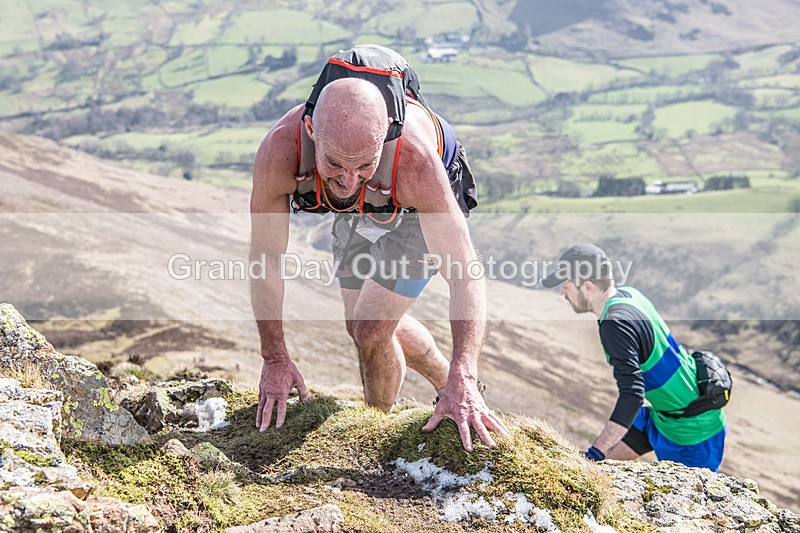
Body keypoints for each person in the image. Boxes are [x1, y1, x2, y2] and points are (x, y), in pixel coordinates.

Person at [249, 44, 509, 451]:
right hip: (365, 207)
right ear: (313, 130)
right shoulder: (280, 152)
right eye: (334, 164)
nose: (349, 181)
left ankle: (375, 434)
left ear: (385, 136)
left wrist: (468, 371)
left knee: (371, 330)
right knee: (359, 326)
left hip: (413, 207)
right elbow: (265, 262)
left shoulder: (416, 164)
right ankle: (444, 382)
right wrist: (274, 358)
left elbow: (464, 274)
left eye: (363, 166)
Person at [540, 244, 727, 471]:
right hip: (662, 416)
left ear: (587, 287)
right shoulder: (630, 294)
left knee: (692, 501)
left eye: (566, 286)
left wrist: (594, 454)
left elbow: (632, 395)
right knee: (599, 471)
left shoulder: (615, 324)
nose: (562, 292)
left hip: (691, 433)